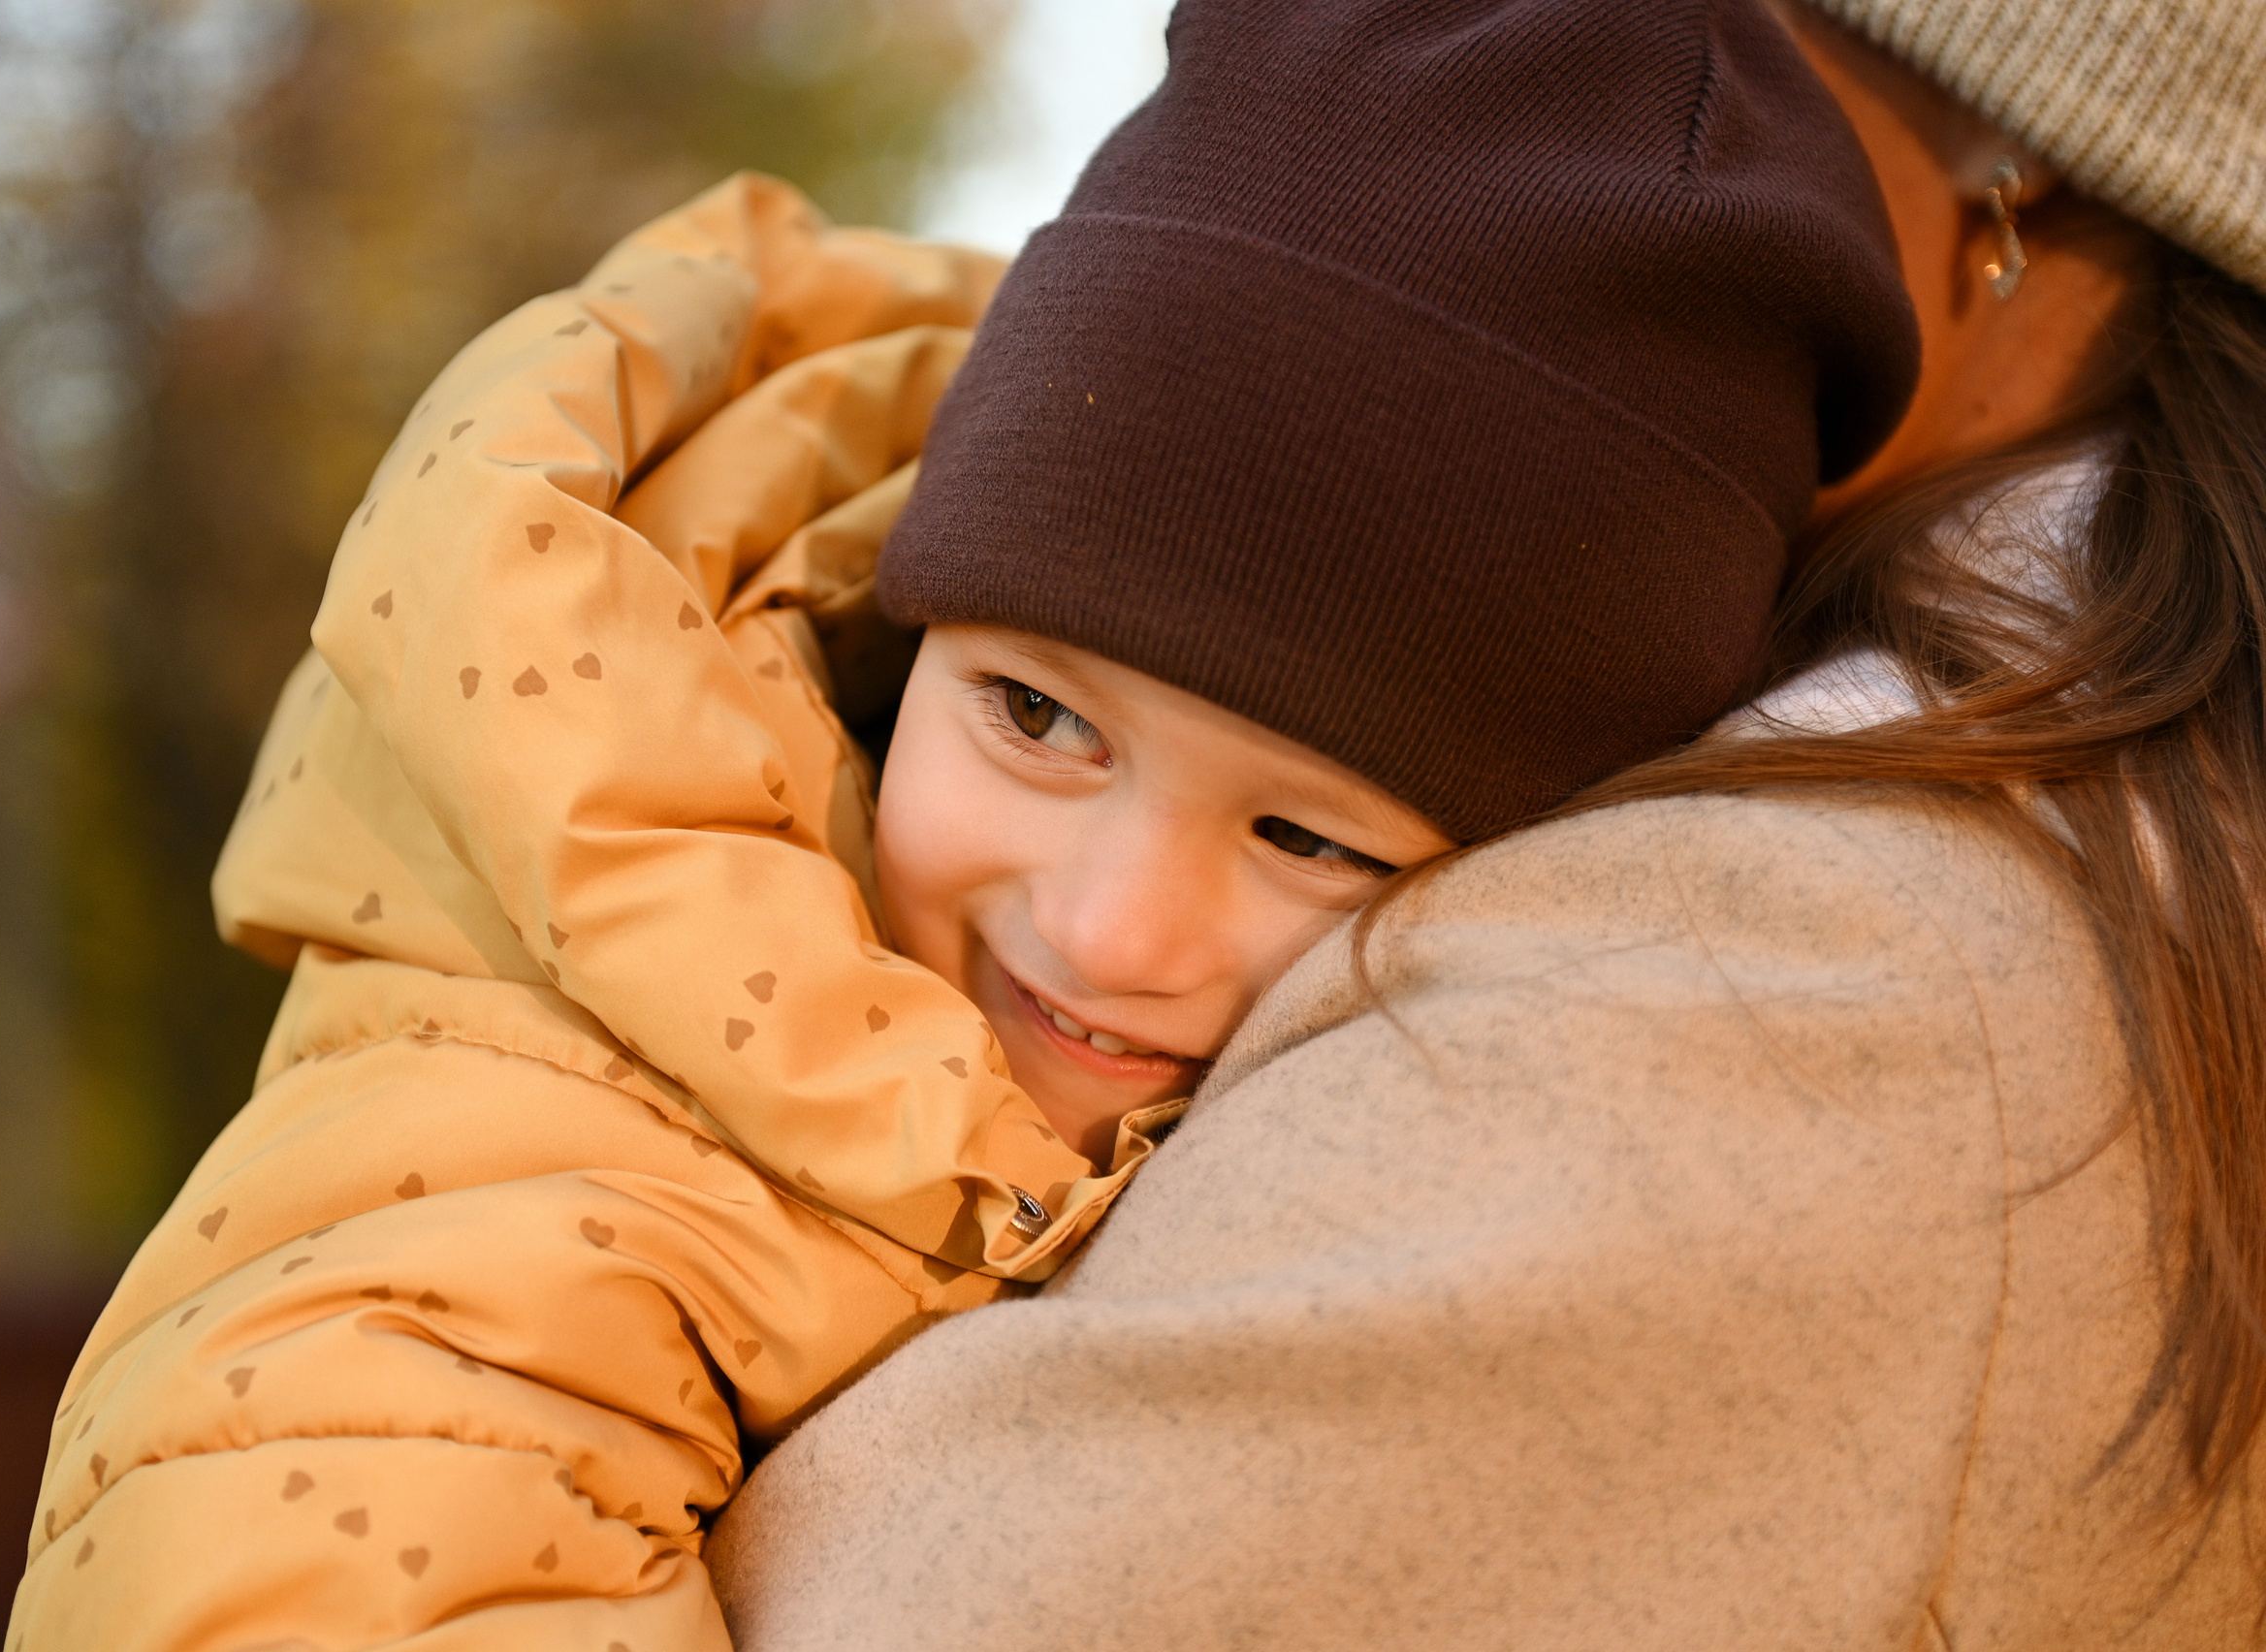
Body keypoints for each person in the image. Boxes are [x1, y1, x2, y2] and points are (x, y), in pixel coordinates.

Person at [7, 0, 1928, 1642]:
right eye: (1034, 718)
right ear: (902, 634)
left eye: (1309, 840)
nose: (1107, 929)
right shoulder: (547, 1172)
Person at [706, 1, 2266, 1647]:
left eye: (1315, 839)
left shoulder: (1838, 969)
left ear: (2003, 164)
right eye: (1034, 715)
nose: (1543, 54)